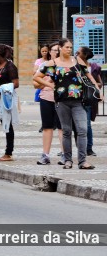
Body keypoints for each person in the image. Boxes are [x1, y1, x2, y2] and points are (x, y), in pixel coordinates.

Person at [33, 38, 98, 170]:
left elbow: (88, 75)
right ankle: (67, 160)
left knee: (82, 130)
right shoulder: (52, 63)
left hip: (78, 101)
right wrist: (50, 85)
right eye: (67, 47)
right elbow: (36, 77)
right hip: (61, 102)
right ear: (61, 48)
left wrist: (96, 90)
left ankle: (82, 161)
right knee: (66, 131)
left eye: (70, 47)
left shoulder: (77, 60)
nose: (69, 49)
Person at [32, 42, 63, 165]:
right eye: (54, 50)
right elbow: (35, 84)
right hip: (46, 97)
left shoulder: (67, 64)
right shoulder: (45, 65)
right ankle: (45, 155)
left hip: (62, 99)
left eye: (58, 50)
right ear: (50, 52)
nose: (56, 52)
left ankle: (65, 155)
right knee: (47, 127)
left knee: (62, 128)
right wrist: (48, 81)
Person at [76, 47, 103, 157]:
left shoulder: (94, 67)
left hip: (89, 99)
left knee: (86, 124)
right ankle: (80, 148)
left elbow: (99, 83)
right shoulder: (75, 65)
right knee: (76, 125)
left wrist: (90, 85)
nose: (76, 53)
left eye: (78, 52)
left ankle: (89, 148)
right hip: (76, 98)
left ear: (85, 55)